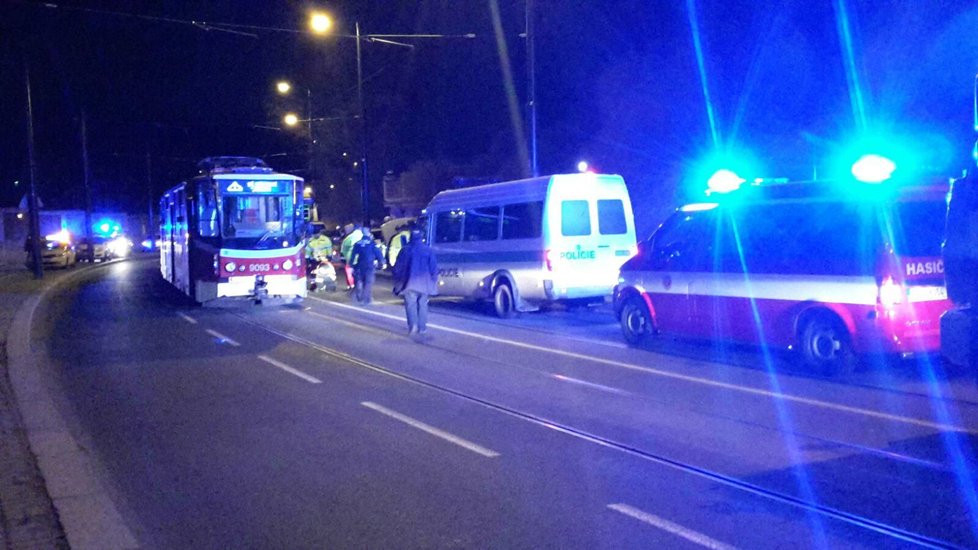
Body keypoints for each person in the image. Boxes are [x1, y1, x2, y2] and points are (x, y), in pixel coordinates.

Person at [392, 229, 439, 338]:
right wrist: (433, 280)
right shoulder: (428, 250)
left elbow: (398, 267)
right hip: (424, 283)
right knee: (423, 305)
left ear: (411, 238)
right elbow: (433, 268)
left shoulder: (405, 250)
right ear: (421, 237)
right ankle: (422, 328)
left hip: (409, 282)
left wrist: (397, 280)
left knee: (410, 305)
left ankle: (413, 326)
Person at [350, 232, 383, 305]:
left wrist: (352, 265)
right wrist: (381, 263)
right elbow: (379, 254)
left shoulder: (357, 244)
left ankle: (358, 295)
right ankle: (366, 300)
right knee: (368, 283)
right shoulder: (372, 244)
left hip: (359, 266)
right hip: (369, 266)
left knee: (359, 280)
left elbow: (353, 256)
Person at [339, 223, 363, 290]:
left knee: (350, 273)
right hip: (363, 259)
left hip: (351, 260)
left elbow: (343, 250)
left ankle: (352, 286)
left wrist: (345, 258)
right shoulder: (364, 236)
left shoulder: (348, 238)